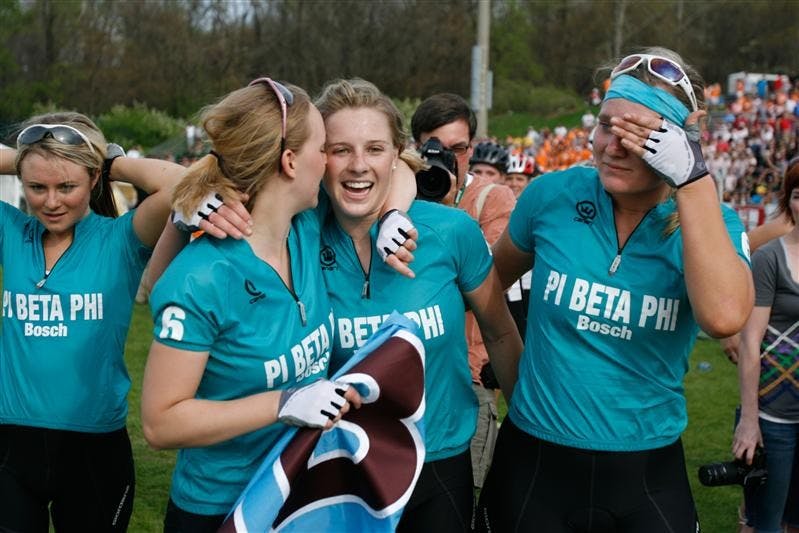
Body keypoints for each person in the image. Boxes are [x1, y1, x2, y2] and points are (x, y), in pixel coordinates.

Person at [476, 47, 754, 532]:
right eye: (607, 125)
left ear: (681, 139)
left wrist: (692, 182)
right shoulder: (551, 196)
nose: (612, 146)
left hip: (645, 472)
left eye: (639, 134)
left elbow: (726, 316)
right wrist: (509, 357)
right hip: (534, 462)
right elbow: (489, 282)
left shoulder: (709, 222)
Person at [139, 78, 361, 532]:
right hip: (219, 509)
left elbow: (396, 162)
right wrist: (285, 401)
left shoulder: (306, 227)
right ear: (290, 160)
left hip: (299, 494)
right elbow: (160, 423)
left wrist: (396, 213)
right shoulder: (203, 276)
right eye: (324, 148)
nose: (330, 161)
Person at [316, 78, 522, 532]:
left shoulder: (451, 231)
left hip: (440, 465)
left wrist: (527, 423)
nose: (357, 166)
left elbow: (500, 329)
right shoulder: (298, 234)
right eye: (340, 150)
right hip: (336, 465)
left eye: (374, 149)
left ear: (397, 154)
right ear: (319, 156)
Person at [0, 112, 179, 531]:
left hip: (93, 452)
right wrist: (25, 158)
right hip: (10, 446)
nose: (51, 201)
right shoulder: (12, 232)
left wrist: (109, 161)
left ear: (94, 180)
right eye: (36, 187)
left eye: (67, 186)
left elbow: (180, 183)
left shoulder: (120, 238)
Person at [411, 94, 518, 492]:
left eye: (458, 148)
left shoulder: (492, 198)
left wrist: (439, 207)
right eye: (434, 147)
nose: (447, 157)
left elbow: (481, 283)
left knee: (458, 501)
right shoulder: (396, 194)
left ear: (471, 148)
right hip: (402, 375)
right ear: (414, 146)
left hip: (467, 375)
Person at [732, 157, 799, 533]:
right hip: (774, 414)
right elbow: (751, 340)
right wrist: (749, 420)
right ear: (788, 201)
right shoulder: (770, 257)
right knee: (765, 522)